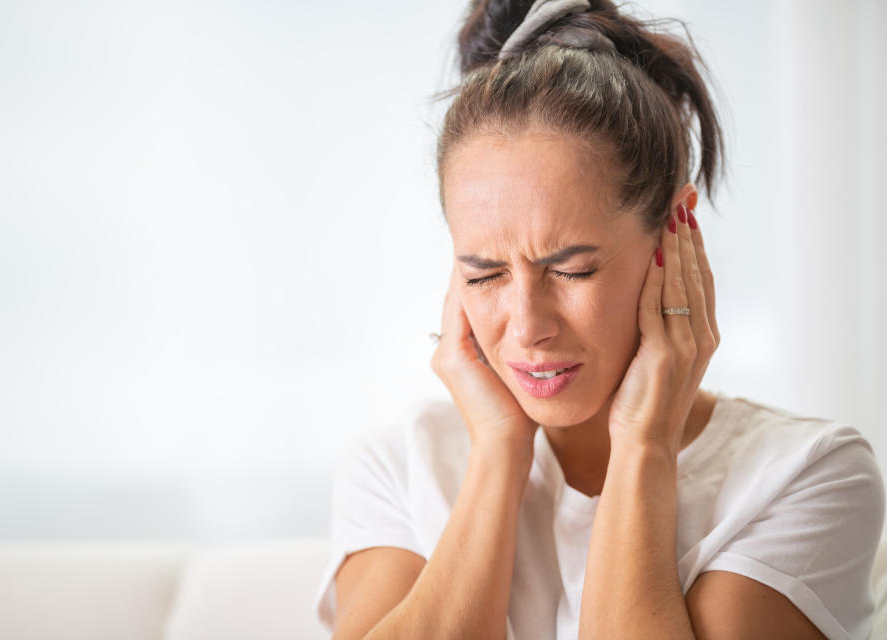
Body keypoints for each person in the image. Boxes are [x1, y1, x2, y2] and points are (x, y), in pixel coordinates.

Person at [312, 0, 886, 638]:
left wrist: (644, 440)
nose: (527, 327)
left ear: (675, 235)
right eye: (484, 275)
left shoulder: (806, 475)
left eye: (572, 271)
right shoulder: (400, 465)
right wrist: (500, 452)